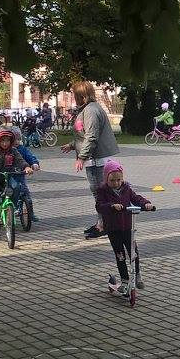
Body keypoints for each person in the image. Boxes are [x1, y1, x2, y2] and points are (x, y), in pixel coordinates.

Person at [61, 80, 120, 239]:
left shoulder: (91, 110)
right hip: (93, 158)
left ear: (82, 96)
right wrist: (72, 145)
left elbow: (92, 136)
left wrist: (82, 157)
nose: (73, 98)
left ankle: (105, 225)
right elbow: (84, 135)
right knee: (99, 194)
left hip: (96, 159)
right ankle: (102, 223)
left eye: (75, 95)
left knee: (101, 194)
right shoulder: (88, 109)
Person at [94, 160, 155, 296]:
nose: (116, 183)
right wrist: (111, 206)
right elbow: (99, 206)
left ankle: (137, 275)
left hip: (128, 227)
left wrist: (146, 204)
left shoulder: (126, 189)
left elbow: (136, 198)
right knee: (120, 255)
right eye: (112, 180)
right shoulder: (103, 191)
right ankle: (125, 280)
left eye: (119, 180)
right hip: (113, 229)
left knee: (134, 253)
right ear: (106, 179)